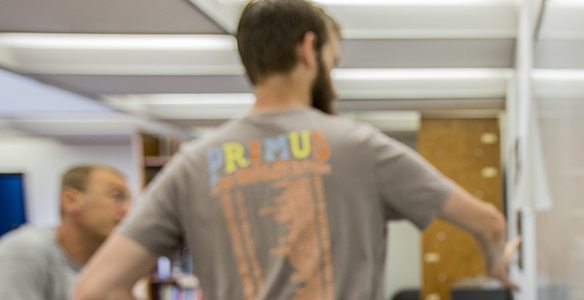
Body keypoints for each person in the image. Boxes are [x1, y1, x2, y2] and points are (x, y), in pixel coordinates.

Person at [73, 0, 519, 299]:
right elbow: (488, 221)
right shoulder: (357, 147)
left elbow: (92, 289)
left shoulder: (191, 166)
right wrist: (495, 263)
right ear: (309, 50)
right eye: (333, 62)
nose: (333, 76)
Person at [0, 165, 130, 300]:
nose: (128, 210)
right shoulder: (24, 252)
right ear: (70, 200)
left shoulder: (105, 261)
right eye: (117, 197)